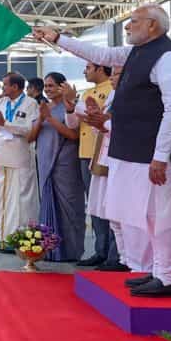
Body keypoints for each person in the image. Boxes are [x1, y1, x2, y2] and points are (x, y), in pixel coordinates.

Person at [34, 4, 171, 298]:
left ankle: (168, 277)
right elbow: (100, 55)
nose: (127, 26)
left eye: (133, 21)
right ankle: (156, 270)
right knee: (144, 217)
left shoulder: (167, 58)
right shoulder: (136, 53)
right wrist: (57, 38)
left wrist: (161, 155)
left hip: (153, 155)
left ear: (153, 25)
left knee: (161, 216)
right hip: (131, 152)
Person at [35, 73, 85, 261]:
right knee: (49, 205)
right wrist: (41, 118)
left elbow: (73, 135)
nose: (47, 89)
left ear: (62, 86)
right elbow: (31, 136)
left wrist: (49, 118)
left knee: (69, 207)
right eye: (45, 86)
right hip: (45, 162)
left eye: (51, 85)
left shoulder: (71, 106)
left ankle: (71, 251)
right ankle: (50, 250)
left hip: (65, 162)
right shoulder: (44, 107)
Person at [0, 72, 40, 251]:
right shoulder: (1, 102)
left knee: (20, 201)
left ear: (15, 87)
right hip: (0, 156)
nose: (2, 89)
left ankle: (19, 240)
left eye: (5, 85)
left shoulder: (31, 103)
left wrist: (6, 124)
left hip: (19, 157)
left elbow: (29, 130)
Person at [73, 63, 119, 268]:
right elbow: (79, 123)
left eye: (118, 74)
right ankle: (101, 250)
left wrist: (96, 117)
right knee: (97, 204)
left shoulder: (113, 91)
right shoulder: (93, 93)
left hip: (112, 155)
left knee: (112, 206)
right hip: (93, 153)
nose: (114, 78)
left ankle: (116, 255)